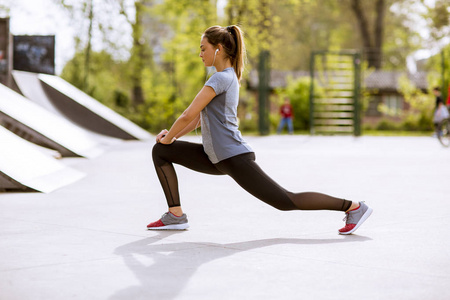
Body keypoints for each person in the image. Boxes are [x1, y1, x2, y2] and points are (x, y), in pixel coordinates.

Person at [147, 25, 372, 235]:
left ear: (219, 49)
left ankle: (353, 207)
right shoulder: (222, 77)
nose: (200, 54)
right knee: (161, 151)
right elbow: (197, 120)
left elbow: (188, 114)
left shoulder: (221, 78)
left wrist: (169, 138)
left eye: (203, 48)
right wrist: (169, 138)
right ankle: (175, 215)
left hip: (234, 157)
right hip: (214, 157)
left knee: (286, 201)